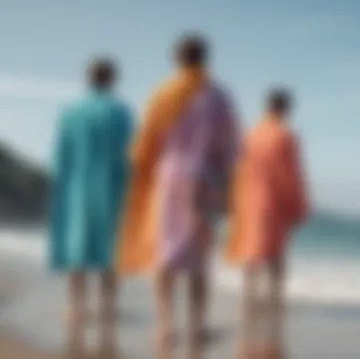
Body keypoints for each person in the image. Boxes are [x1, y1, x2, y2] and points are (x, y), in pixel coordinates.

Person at [117, 35, 239, 359]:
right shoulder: (221, 97)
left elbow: (144, 142)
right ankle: (196, 326)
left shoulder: (164, 92)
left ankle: (165, 324)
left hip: (169, 179)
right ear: (206, 58)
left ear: (176, 59)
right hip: (207, 181)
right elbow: (231, 148)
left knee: (164, 255)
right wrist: (229, 188)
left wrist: (140, 171)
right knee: (200, 259)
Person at [49, 58, 134, 354]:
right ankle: (108, 309)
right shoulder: (121, 112)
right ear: (113, 80)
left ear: (87, 78)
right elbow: (130, 155)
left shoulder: (71, 112)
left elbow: (61, 156)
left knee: (78, 250)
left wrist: (59, 185)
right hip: (113, 189)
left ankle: (77, 308)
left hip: (78, 188)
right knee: (111, 252)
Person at [225, 89, 308, 357]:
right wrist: (298, 207)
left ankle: (248, 298)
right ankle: (273, 302)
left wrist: (233, 202)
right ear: (285, 108)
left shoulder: (249, 135)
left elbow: (236, 169)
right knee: (274, 255)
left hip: (248, 200)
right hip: (272, 201)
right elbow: (290, 175)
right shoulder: (285, 136)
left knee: (252, 253)